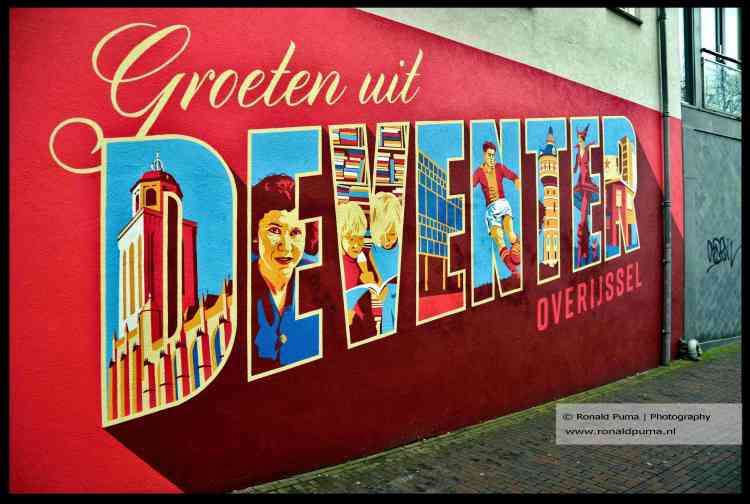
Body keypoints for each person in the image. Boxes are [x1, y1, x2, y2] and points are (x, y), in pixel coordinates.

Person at [250, 174, 319, 374]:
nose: (286, 246)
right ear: (255, 234)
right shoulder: (239, 290)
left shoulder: (319, 282)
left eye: (295, 233)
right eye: (274, 230)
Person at [472, 140, 521, 277]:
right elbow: (469, 186)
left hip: (503, 205)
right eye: (489, 155)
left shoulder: (499, 167)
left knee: (510, 233)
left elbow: (513, 176)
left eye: (493, 155)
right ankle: (513, 271)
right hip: (491, 210)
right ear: (484, 155)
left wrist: (517, 182)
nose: (492, 158)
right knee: (499, 240)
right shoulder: (479, 172)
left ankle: (516, 246)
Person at [336, 201, 377, 340]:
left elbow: (376, 293)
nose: (356, 245)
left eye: (360, 238)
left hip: (366, 325)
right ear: (339, 235)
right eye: (351, 238)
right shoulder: (337, 263)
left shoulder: (364, 258)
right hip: (348, 327)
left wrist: (372, 284)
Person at [368, 192, 402, 335]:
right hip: (387, 308)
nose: (387, 240)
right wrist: (376, 290)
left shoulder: (402, 248)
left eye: (392, 234)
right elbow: (377, 283)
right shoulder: (373, 253)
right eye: (383, 235)